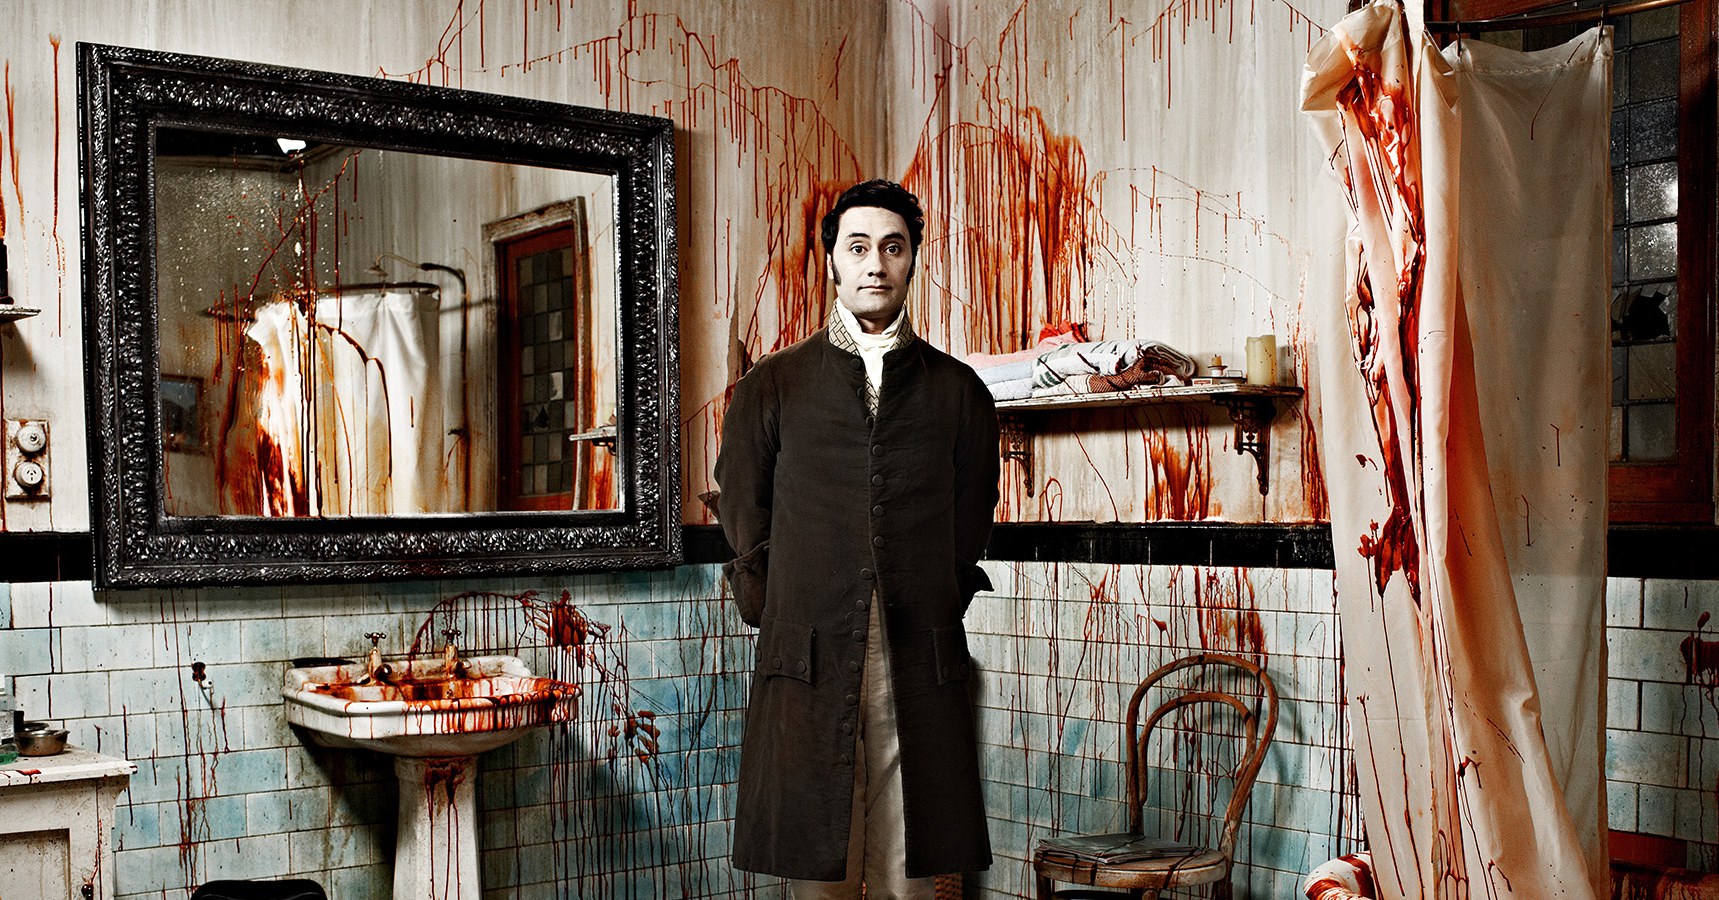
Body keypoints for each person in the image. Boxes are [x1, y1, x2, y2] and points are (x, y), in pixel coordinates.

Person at [715, 179, 1000, 898]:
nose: (876, 264)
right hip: (807, 642)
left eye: (893, 248)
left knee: (913, 860)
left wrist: (938, 594)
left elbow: (972, 513)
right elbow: (744, 510)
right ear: (833, 263)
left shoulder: (958, 390)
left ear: (912, 261)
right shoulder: (773, 385)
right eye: (859, 247)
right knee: (820, 858)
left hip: (918, 643)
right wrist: (779, 607)